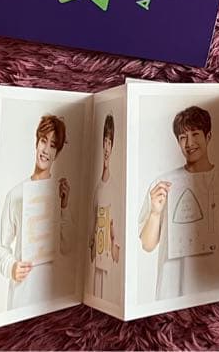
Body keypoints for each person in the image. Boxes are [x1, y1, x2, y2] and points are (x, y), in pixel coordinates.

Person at [138, 107, 219, 301]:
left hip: (216, 289)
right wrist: (155, 213)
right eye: (183, 137)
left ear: (208, 136)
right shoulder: (162, 185)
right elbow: (147, 245)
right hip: (172, 291)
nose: (189, 143)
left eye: (195, 134)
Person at [0, 115, 72, 310]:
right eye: (43, 141)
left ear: (57, 153)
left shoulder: (60, 193)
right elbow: (1, 247)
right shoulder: (15, 194)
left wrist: (64, 207)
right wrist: (12, 267)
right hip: (21, 297)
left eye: (53, 145)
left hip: (52, 299)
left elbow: (68, 248)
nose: (46, 150)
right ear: (37, 142)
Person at [89, 115, 120, 301]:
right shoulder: (97, 189)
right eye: (104, 142)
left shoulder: (114, 188)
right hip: (96, 262)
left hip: (110, 263)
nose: (106, 148)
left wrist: (116, 245)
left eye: (110, 142)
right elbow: (92, 225)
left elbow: (116, 231)